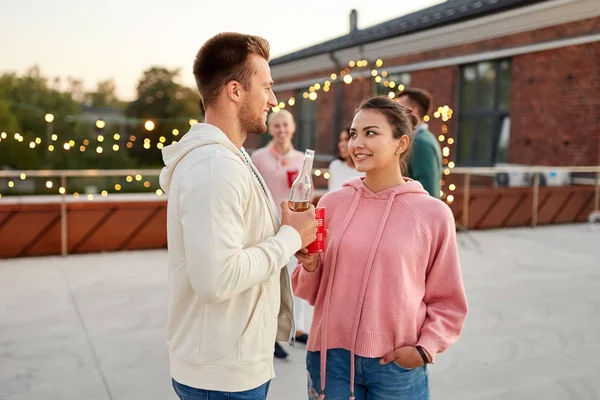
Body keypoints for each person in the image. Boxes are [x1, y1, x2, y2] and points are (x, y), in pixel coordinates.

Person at [159, 32, 318, 400]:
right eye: (266, 87)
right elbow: (217, 279)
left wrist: (289, 237)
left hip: (229, 363)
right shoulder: (215, 165)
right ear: (235, 90)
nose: (273, 100)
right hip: (222, 375)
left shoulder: (231, 157)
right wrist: (289, 238)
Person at [292, 96, 467, 400]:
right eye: (354, 133)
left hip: (396, 366)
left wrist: (425, 349)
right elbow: (309, 291)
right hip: (330, 360)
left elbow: (448, 300)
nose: (356, 142)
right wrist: (310, 266)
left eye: (370, 133)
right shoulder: (332, 204)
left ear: (401, 143)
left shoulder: (433, 214)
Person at [251, 109, 311, 360]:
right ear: (270, 128)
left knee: (296, 278)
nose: (281, 129)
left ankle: (297, 328)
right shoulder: (259, 157)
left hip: (293, 225)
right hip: (268, 227)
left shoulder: (302, 159)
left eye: (285, 124)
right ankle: (271, 333)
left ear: (293, 127)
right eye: (276, 125)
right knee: (271, 280)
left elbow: (308, 194)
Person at [396, 88, 443, 198]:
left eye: (399, 108)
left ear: (413, 110)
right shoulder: (418, 139)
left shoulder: (421, 143)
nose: (395, 113)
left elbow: (428, 189)